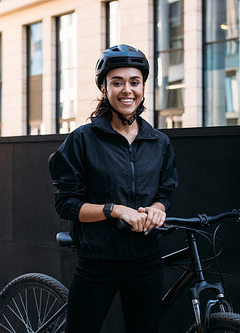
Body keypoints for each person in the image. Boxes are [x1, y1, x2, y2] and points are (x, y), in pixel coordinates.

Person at [48, 44, 179, 333]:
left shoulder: (159, 142)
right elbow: (67, 204)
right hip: (98, 261)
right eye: (117, 82)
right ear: (105, 89)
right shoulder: (83, 140)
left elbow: (164, 195)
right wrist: (116, 210)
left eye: (134, 82)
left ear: (144, 87)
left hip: (146, 260)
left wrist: (158, 210)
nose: (127, 90)